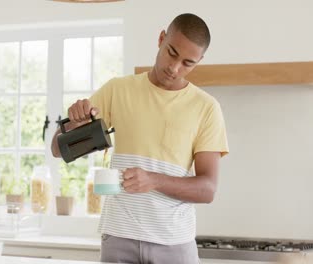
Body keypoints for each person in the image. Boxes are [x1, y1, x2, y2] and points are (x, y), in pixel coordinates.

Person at [51, 13, 229, 264]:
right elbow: (58, 149)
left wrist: (154, 180)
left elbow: (208, 190)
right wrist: (75, 122)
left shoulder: (207, 108)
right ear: (161, 38)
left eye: (188, 63)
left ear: (199, 62)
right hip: (118, 239)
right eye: (172, 52)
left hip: (174, 244)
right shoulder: (118, 90)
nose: (175, 67)